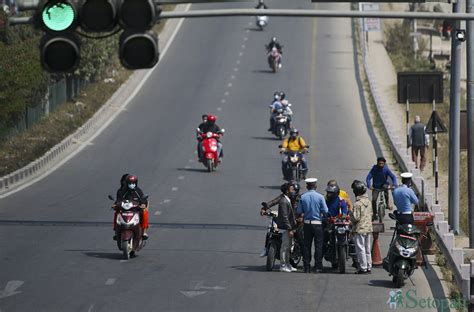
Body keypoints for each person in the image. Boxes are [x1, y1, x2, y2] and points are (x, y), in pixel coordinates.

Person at [259, 180, 302, 257]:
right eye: (291, 189)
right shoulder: (283, 196)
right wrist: (264, 208)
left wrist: (301, 217)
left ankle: (301, 251)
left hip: (295, 220)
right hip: (284, 218)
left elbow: (305, 209)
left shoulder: (300, 199)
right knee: (271, 228)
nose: (292, 191)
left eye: (294, 190)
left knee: (300, 234)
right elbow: (274, 202)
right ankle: (266, 248)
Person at [296, 178, 329, 273]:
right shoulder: (320, 197)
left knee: (307, 245)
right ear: (315, 186)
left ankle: (306, 266)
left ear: (307, 187)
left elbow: (299, 211)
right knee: (318, 245)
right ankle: (318, 266)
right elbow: (326, 211)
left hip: (307, 224)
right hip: (317, 224)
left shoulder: (303, 197)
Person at [114, 174, 149, 240]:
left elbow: (143, 199)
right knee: (117, 213)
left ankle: (144, 232)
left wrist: (143, 204)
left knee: (144, 213)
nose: (131, 184)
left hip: (136, 210)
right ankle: (116, 230)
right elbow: (118, 200)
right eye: (130, 183)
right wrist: (115, 205)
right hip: (125, 210)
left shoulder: (138, 191)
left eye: (133, 183)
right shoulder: (123, 191)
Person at [349, 180, 373, 274]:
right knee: (367, 249)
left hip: (360, 229)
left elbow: (356, 218)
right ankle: (369, 266)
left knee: (360, 249)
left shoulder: (357, 204)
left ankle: (363, 268)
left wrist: (350, 213)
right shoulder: (368, 202)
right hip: (368, 228)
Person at [275, 182, 297, 272]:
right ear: (287, 191)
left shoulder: (287, 199)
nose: (293, 191)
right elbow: (284, 217)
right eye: (292, 189)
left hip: (289, 227)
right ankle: (283, 265)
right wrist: (290, 229)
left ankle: (287, 264)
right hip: (285, 228)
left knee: (288, 247)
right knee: (284, 247)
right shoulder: (284, 201)